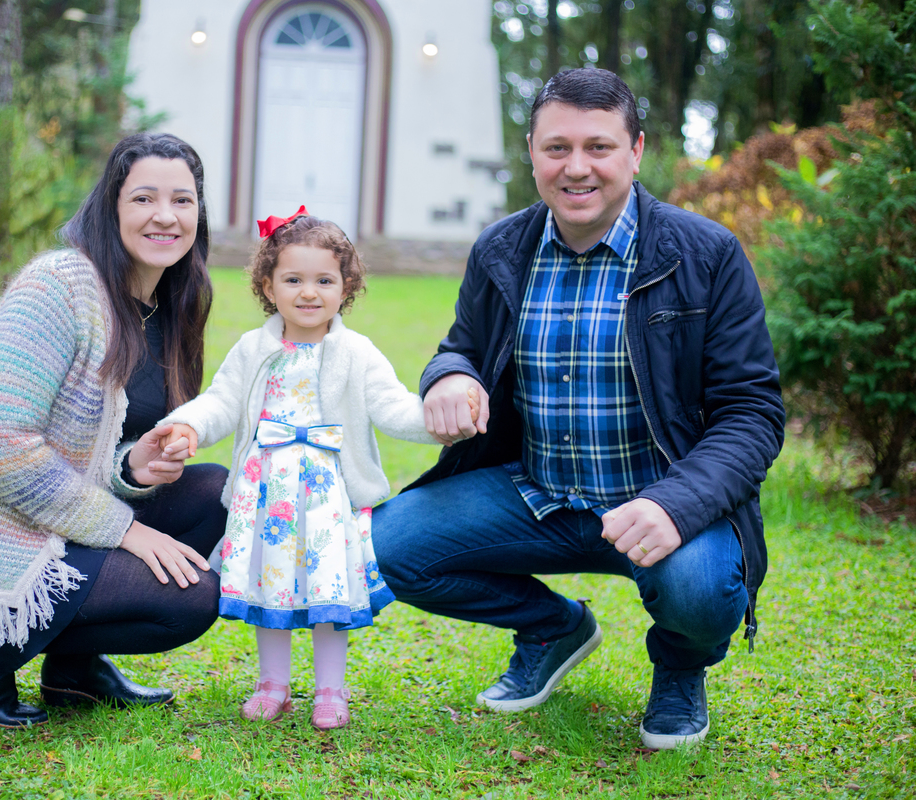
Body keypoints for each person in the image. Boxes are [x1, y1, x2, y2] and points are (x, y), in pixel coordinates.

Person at [372, 68, 786, 750]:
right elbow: (463, 347)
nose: (577, 168)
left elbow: (752, 413)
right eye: (557, 148)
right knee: (381, 550)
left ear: (636, 152)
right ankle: (554, 626)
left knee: (702, 593)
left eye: (598, 147)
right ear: (532, 151)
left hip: (660, 502)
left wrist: (676, 504)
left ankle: (681, 667)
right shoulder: (502, 249)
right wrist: (448, 375)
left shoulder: (706, 255)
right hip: (535, 494)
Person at [0, 133, 229, 728]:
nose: (164, 216)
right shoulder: (56, 287)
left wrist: (132, 468)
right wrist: (124, 530)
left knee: (214, 492)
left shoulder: (175, 302)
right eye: (144, 198)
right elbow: (1, 446)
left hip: (58, 514)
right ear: (111, 206)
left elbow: (96, 446)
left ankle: (74, 672)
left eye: (182, 200)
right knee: (190, 599)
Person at [160, 209, 441, 729]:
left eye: (323, 281)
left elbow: (394, 407)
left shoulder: (355, 352)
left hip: (327, 498)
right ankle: (273, 684)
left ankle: (331, 691)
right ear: (268, 285)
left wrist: (439, 421)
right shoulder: (254, 349)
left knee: (328, 593)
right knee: (274, 586)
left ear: (346, 287)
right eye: (293, 279)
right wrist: (188, 427)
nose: (308, 292)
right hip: (267, 497)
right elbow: (220, 401)